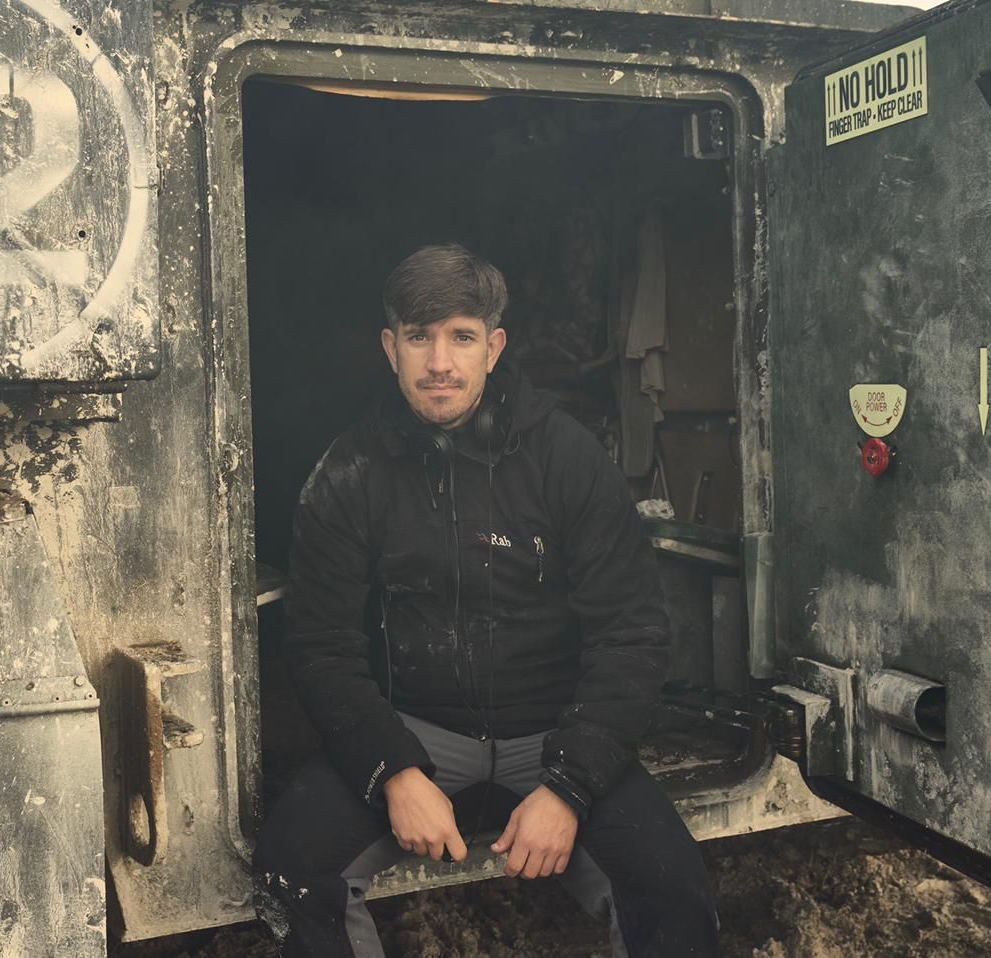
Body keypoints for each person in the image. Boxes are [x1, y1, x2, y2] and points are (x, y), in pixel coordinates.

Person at [253, 244, 718, 957]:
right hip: (419, 733)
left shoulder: (566, 459)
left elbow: (631, 635)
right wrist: (393, 769)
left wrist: (569, 787)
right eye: (419, 337)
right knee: (293, 861)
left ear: (494, 347)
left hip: (550, 732)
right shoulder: (350, 472)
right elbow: (319, 646)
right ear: (390, 347)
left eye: (461, 337)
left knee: (673, 880)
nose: (440, 362)